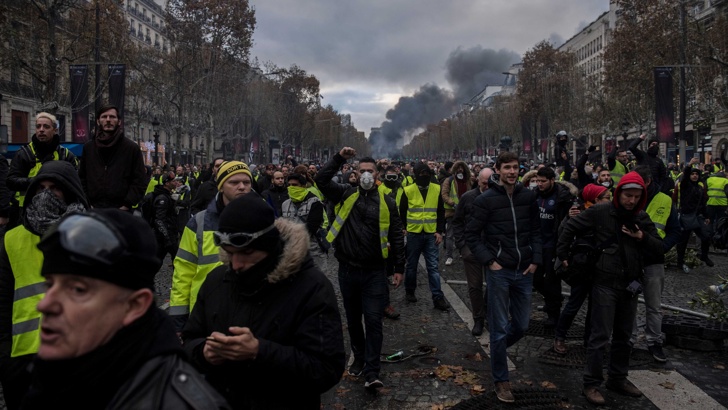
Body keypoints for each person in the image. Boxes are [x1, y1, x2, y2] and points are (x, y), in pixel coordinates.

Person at [24, 209, 229, 409]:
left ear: (134, 305)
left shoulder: (178, 401)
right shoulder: (51, 375)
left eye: (78, 290)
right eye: (49, 284)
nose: (44, 304)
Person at [181, 195, 345, 408]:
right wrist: (204, 352)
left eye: (247, 252)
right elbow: (190, 339)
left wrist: (259, 351)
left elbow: (326, 369)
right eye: (230, 253)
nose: (237, 264)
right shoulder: (216, 281)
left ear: (269, 246)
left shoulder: (312, 287)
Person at [556, 171, 662, 406]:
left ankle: (618, 378)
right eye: (627, 195)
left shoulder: (641, 217)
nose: (631, 200)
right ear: (619, 193)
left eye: (636, 196)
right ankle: (591, 383)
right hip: (604, 283)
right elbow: (571, 227)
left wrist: (641, 236)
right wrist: (563, 254)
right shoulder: (601, 211)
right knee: (600, 336)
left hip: (630, 285)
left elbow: (659, 248)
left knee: (624, 337)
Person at [314, 147, 405, 389]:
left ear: (377, 175)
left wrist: (399, 267)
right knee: (354, 320)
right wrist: (339, 158)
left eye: (370, 171)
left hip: (375, 270)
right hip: (348, 269)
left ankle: (372, 371)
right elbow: (320, 180)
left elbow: (396, 235)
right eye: (361, 171)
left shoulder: (387, 202)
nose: (365, 175)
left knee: (374, 320)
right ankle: (360, 357)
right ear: (355, 173)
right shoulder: (345, 194)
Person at [0, 161, 87, 409]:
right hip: (24, 357)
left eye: (55, 188)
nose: (46, 195)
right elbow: (3, 298)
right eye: (41, 188)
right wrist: (5, 356)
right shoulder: (12, 238)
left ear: (70, 191)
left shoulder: (90, 234)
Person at [464, 151, 542, 403]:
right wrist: (490, 261)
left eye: (515, 167)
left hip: (524, 270)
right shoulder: (485, 200)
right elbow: (472, 235)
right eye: (506, 167)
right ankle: (502, 380)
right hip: (500, 271)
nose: (511, 171)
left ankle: (496, 353)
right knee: (498, 329)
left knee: (521, 325)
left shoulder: (529, 197)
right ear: (497, 169)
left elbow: (536, 231)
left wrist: (536, 260)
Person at [169, 161, 254, 331]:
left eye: (246, 182)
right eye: (234, 182)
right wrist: (178, 318)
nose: (242, 187)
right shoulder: (198, 223)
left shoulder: (262, 219)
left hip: (250, 312)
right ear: (221, 186)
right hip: (204, 312)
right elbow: (183, 272)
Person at [553, 184, 613, 355]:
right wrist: (567, 218)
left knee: (595, 307)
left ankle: (589, 340)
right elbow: (563, 233)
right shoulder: (579, 212)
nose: (609, 200)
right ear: (595, 199)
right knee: (574, 304)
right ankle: (560, 337)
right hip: (582, 266)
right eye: (606, 197)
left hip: (600, 266)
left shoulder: (606, 213)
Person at [630, 165, 681, 363]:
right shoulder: (628, 198)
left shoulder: (665, 200)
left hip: (653, 261)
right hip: (632, 261)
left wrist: (662, 248)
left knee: (654, 305)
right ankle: (629, 340)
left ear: (648, 182)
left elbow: (675, 230)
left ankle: (654, 342)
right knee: (630, 301)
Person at [7, 112, 78, 227]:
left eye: (46, 126)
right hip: (25, 211)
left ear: (55, 130)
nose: (41, 130)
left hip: (59, 211)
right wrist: (36, 182)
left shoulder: (66, 155)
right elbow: (11, 181)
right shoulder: (23, 154)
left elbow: (76, 183)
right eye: (38, 126)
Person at [78, 104, 147, 210]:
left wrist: (128, 203)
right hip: (94, 209)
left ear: (119, 121)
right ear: (98, 121)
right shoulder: (89, 147)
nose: (108, 120)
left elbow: (140, 179)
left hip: (121, 211)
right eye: (104, 117)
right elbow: (82, 177)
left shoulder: (131, 148)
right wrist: (87, 202)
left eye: (112, 117)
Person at [401, 162, 449, 311]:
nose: (424, 177)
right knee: (411, 266)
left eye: (426, 174)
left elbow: (441, 211)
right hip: (414, 233)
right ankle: (410, 291)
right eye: (422, 174)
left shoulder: (436, 188)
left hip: (430, 233)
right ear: (415, 174)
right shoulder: (408, 190)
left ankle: (438, 297)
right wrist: (404, 227)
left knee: (433, 267)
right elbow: (402, 210)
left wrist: (439, 231)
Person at [533, 167, 577, 327]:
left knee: (552, 281)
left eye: (543, 181)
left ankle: (554, 314)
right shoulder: (535, 195)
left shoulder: (563, 198)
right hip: (538, 243)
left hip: (554, 244)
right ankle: (553, 299)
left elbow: (569, 222)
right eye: (538, 181)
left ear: (552, 180)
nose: (539, 184)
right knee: (536, 279)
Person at [452, 167, 492, 336]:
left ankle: (487, 310)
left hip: (492, 248)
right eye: (484, 183)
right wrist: (462, 246)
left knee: (495, 285)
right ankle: (478, 319)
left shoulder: (498, 197)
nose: (487, 186)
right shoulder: (467, 198)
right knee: (474, 286)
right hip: (472, 248)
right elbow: (457, 221)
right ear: (478, 181)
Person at [673, 164, 711, 273]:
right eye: (692, 174)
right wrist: (689, 165)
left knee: (706, 236)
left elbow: (702, 203)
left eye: (696, 174)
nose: (694, 176)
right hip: (686, 216)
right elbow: (684, 178)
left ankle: (704, 256)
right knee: (683, 241)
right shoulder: (685, 185)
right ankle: (680, 262)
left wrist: (706, 216)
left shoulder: (700, 187)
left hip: (697, 216)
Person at [281, 173, 327, 259]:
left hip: (313, 251)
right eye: (289, 185)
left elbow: (311, 227)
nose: (291, 187)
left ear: (303, 186)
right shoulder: (285, 204)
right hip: (291, 251)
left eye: (294, 185)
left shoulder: (315, 203)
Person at [441, 161, 471, 266]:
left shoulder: (468, 180)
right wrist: (453, 203)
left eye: (462, 168)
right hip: (452, 212)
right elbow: (444, 194)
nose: (460, 170)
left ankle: (463, 252)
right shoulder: (448, 180)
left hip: (466, 212)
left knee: (465, 234)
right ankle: (449, 256)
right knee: (450, 235)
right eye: (458, 168)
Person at [152, 171, 181, 262]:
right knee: (177, 260)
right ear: (167, 183)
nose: (176, 183)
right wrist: (167, 238)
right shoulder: (163, 198)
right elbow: (159, 219)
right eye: (173, 181)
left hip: (169, 234)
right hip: (166, 236)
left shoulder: (168, 195)